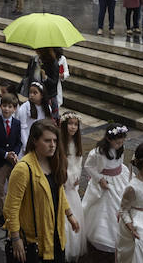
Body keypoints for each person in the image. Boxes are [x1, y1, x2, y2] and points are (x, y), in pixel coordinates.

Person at [4, 118, 80, 263]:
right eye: (47, 141)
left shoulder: (53, 161)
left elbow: (58, 192)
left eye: (55, 141)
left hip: (55, 235)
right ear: (34, 141)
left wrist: (70, 215)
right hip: (35, 242)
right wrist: (15, 238)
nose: (52, 145)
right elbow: (11, 208)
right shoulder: (23, 169)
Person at [81, 124, 130, 253]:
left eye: (122, 142)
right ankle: (103, 236)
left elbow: (120, 161)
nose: (120, 145)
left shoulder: (120, 149)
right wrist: (99, 178)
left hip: (119, 178)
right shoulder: (98, 153)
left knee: (124, 202)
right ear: (109, 139)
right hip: (106, 181)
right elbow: (88, 166)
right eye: (117, 142)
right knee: (105, 207)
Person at [0, 93, 23, 224]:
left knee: (14, 188)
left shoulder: (17, 123)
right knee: (0, 190)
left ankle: (14, 212)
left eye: (10, 106)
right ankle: (2, 214)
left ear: (14, 109)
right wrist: (5, 154)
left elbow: (19, 142)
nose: (6, 109)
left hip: (12, 162)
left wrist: (14, 153)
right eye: (4, 106)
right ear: (0, 106)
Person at [60, 112, 86, 262]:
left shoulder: (77, 143)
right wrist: (66, 179)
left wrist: (76, 178)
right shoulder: (60, 143)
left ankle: (73, 246)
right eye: (70, 124)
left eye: (76, 124)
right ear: (64, 125)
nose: (73, 127)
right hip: (63, 182)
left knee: (74, 212)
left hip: (72, 186)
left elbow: (78, 163)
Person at [15, 82, 53, 154]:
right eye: (30, 92)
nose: (31, 95)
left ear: (42, 95)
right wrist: (26, 146)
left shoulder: (47, 108)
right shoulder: (25, 108)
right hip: (27, 139)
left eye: (35, 93)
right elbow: (22, 128)